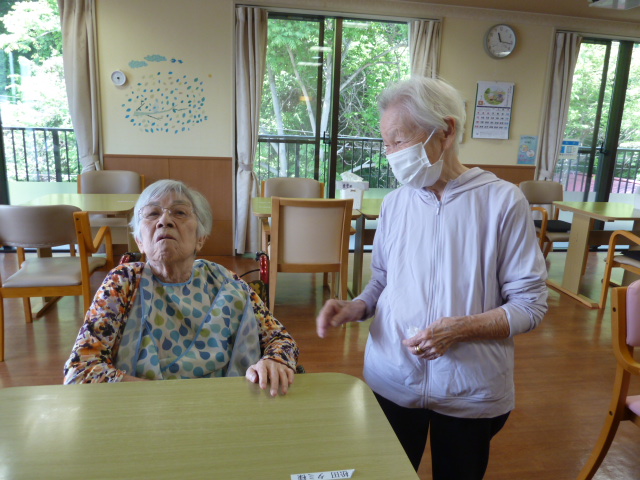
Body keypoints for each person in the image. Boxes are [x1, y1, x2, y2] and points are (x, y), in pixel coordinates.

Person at [316, 77, 548, 479]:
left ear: (446, 131)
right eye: (386, 144)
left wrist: (460, 329)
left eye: (399, 140)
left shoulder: (502, 201)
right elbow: (383, 279)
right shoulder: (395, 204)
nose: (391, 154)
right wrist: (358, 306)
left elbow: (530, 305)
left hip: (470, 389)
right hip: (392, 379)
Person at [64, 179, 298, 396]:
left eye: (180, 212)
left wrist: (274, 361)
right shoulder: (123, 283)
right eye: (152, 213)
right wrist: (169, 399)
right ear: (139, 241)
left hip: (226, 406)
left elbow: (280, 339)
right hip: (144, 412)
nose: (164, 221)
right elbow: (81, 371)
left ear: (200, 238)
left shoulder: (225, 282)